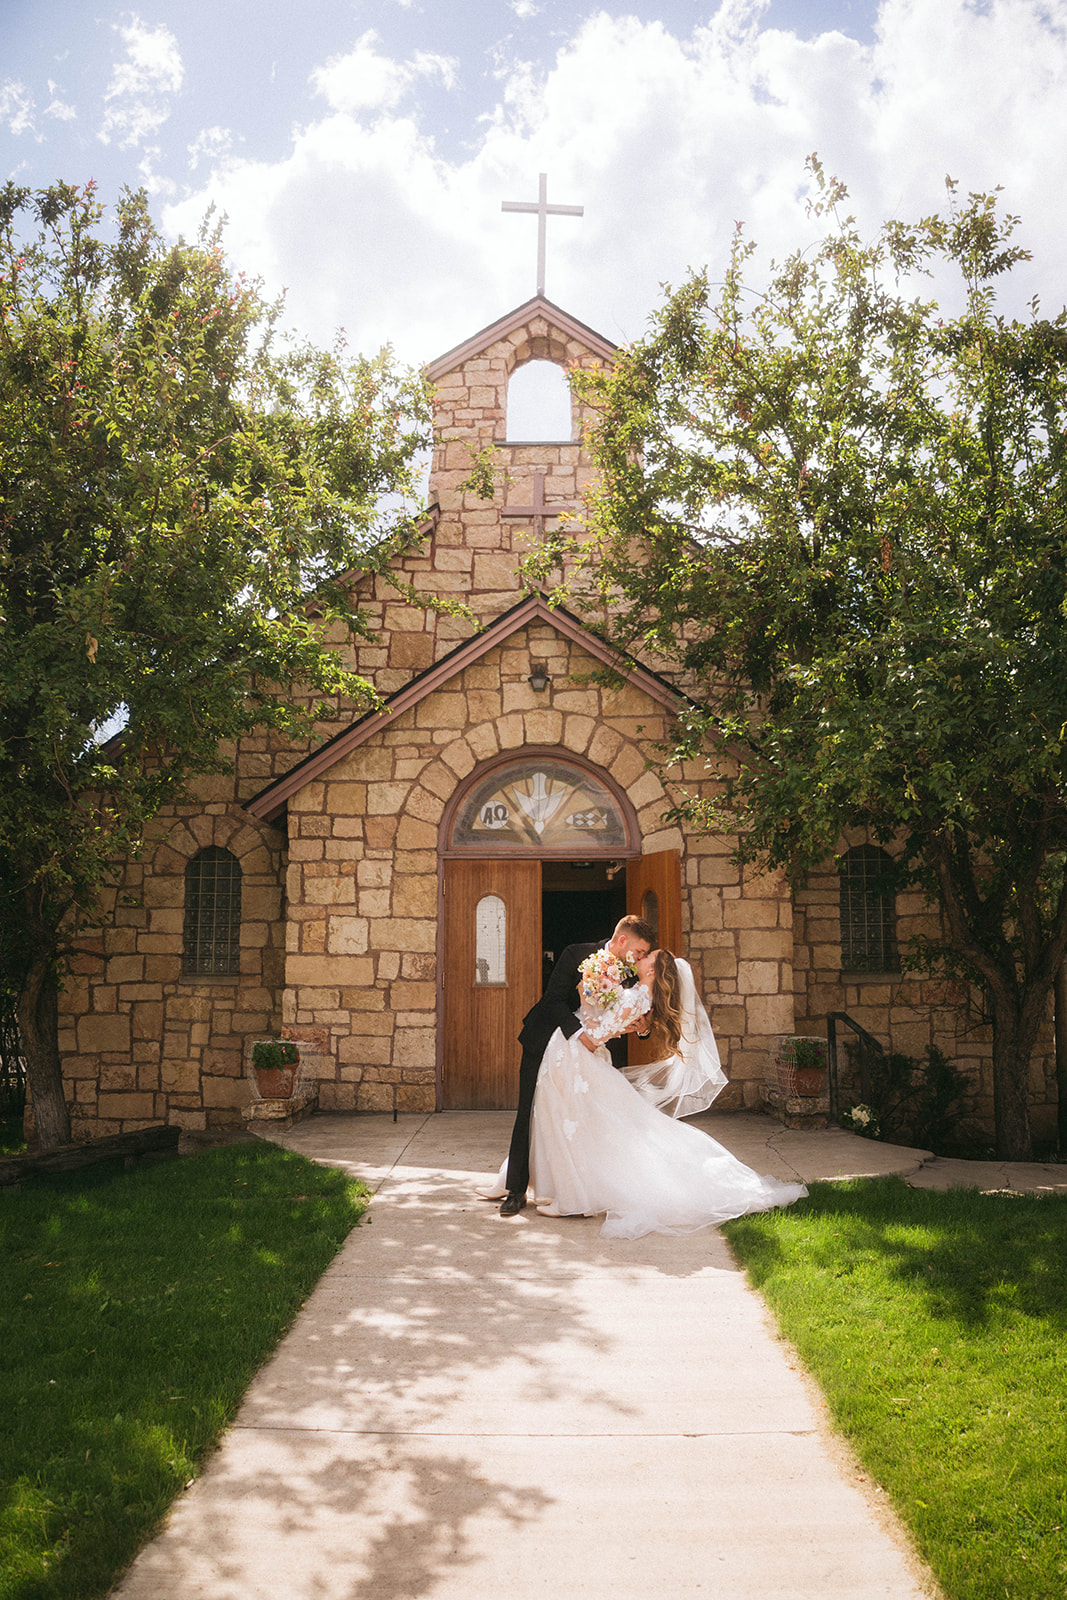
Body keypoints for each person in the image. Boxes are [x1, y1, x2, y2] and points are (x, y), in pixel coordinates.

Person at [487, 948, 808, 1238]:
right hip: (568, 1056)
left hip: (579, 1055)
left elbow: (604, 1030)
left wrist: (592, 1023)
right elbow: (611, 1020)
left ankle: (573, 1199)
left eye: (646, 958)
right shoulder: (632, 987)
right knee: (572, 1123)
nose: (640, 959)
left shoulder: (639, 995)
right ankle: (551, 1187)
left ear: (652, 971)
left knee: (590, 1125)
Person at [489, 914, 655, 1216]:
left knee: (574, 1117)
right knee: (529, 1110)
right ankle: (515, 1190)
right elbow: (553, 999)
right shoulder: (577, 954)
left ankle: (573, 1187)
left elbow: (628, 1017)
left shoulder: (631, 976)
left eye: (643, 955)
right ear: (622, 941)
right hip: (546, 1040)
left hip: (586, 1057)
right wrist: (580, 1035)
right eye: (640, 951)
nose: (640, 958)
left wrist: (641, 1027)